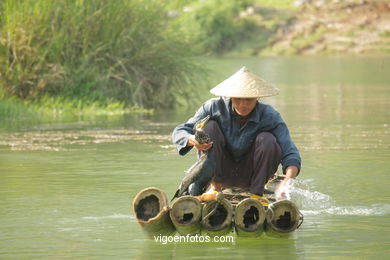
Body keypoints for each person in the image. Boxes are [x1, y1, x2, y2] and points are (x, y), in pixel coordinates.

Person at [172, 66, 301, 204]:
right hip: (218, 173)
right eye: (238, 99)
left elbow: (290, 152)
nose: (243, 104)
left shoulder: (269, 115)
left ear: (257, 97)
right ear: (230, 96)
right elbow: (180, 131)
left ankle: (257, 194)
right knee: (209, 127)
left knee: (268, 139)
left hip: (252, 176)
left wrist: (286, 182)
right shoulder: (213, 108)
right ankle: (215, 189)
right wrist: (192, 140)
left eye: (248, 100)